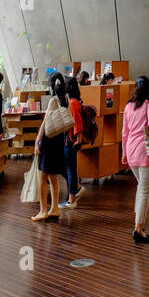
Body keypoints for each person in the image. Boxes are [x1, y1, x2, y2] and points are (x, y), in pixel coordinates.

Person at [120, 75, 149, 243]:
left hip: (130, 151)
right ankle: (138, 229)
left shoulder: (128, 107)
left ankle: (138, 222)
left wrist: (123, 153)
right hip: (145, 151)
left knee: (140, 188)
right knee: (145, 190)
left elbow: (125, 132)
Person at [31, 70, 69, 222]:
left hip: (48, 140)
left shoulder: (53, 100)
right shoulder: (66, 98)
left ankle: (43, 210)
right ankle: (54, 209)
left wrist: (37, 139)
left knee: (43, 176)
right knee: (53, 176)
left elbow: (46, 122)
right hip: (59, 140)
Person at [60, 77, 86, 208]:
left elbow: (77, 123)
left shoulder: (73, 103)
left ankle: (72, 199)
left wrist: (78, 139)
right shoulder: (74, 101)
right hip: (71, 139)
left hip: (70, 141)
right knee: (69, 168)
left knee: (70, 169)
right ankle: (76, 190)